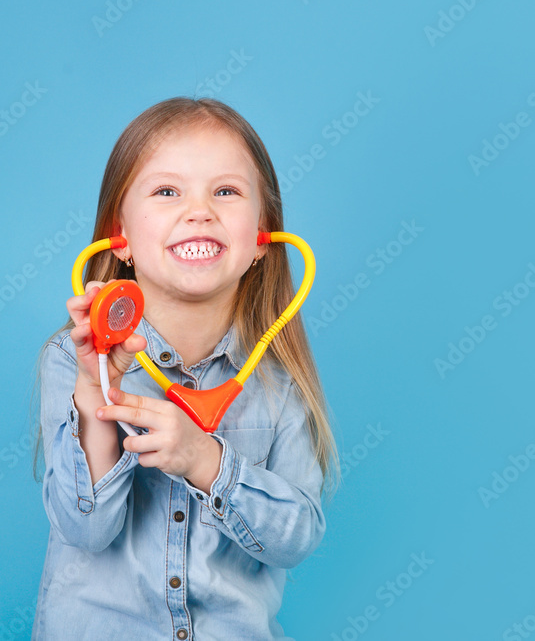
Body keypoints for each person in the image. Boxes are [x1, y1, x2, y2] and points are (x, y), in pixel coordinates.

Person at [28, 96, 340, 639]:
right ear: (118, 235)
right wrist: (95, 384)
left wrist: (206, 461)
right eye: (167, 191)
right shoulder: (71, 360)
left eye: (226, 191)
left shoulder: (278, 380)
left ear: (263, 239)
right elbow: (86, 529)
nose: (200, 211)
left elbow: (296, 538)